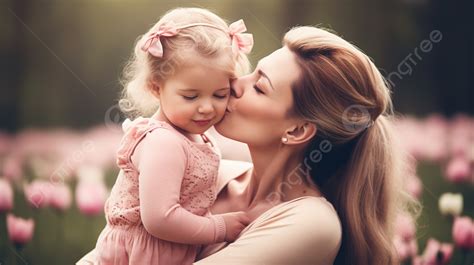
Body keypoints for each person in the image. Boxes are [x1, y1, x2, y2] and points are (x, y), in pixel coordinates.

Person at [193, 26, 417, 265]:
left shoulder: (313, 224)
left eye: (259, 87)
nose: (235, 84)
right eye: (253, 73)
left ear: (297, 130)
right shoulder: (208, 171)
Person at [84, 7, 254, 265]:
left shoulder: (190, 136)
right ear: (156, 87)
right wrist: (219, 228)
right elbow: (160, 219)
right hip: (144, 254)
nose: (207, 107)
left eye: (220, 94)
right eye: (191, 96)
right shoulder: (163, 142)